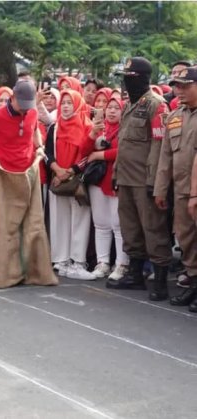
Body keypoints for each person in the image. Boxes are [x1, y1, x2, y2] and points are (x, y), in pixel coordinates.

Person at [0, 80, 57, 288]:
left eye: (29, 105)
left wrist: (38, 145)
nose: (25, 109)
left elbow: (35, 129)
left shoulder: (32, 112)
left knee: (33, 223)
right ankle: (3, 275)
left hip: (28, 173)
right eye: (22, 104)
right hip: (4, 175)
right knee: (4, 225)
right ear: (12, 98)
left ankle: (34, 272)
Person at [106, 57, 170, 299]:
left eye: (131, 78)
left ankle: (161, 281)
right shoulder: (128, 105)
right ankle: (134, 274)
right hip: (126, 177)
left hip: (145, 179)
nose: (126, 83)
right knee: (130, 228)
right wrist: (115, 174)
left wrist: (153, 181)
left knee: (153, 229)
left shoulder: (156, 105)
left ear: (144, 79)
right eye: (125, 78)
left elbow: (158, 146)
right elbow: (123, 144)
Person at [156, 66, 197, 310]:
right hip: (181, 190)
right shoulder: (175, 116)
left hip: (195, 190)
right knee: (186, 238)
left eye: (185, 86)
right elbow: (165, 158)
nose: (178, 90)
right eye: (176, 86)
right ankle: (193, 282)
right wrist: (161, 189)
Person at [45, 90, 96, 280]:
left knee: (80, 219)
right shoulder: (54, 127)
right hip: (58, 178)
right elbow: (47, 152)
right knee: (59, 218)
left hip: (77, 179)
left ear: (77, 104)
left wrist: (71, 171)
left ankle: (78, 261)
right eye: (63, 103)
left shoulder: (87, 126)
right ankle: (61, 260)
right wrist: (57, 170)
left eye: (69, 102)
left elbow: (88, 154)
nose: (66, 106)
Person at [87, 97, 129, 281]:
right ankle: (102, 262)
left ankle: (121, 264)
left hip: (117, 179)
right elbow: (83, 149)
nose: (112, 111)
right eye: (109, 107)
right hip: (97, 180)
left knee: (118, 225)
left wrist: (99, 155)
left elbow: (123, 151)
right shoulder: (99, 127)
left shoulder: (126, 128)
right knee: (100, 224)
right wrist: (92, 135)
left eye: (116, 108)